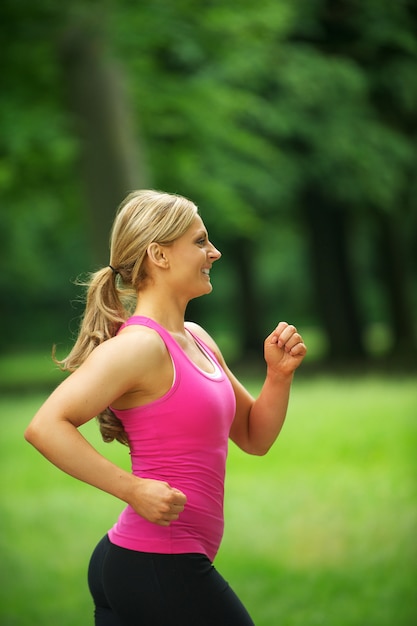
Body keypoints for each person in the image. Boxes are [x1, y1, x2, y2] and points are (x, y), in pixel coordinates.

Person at [24, 189, 307, 626]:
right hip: (158, 561)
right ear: (159, 254)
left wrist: (279, 376)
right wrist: (132, 489)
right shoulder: (139, 347)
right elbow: (45, 426)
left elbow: (254, 437)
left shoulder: (197, 338)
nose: (213, 252)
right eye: (199, 241)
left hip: (144, 561)